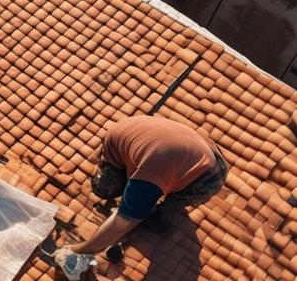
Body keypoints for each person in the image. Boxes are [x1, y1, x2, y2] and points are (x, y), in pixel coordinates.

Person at [55, 115, 227, 278]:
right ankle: (145, 201)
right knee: (108, 188)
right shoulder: (116, 138)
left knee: (153, 208)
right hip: (194, 147)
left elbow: (124, 220)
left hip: (207, 176)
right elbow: (98, 158)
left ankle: (154, 209)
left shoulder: (149, 172)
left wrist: (78, 252)